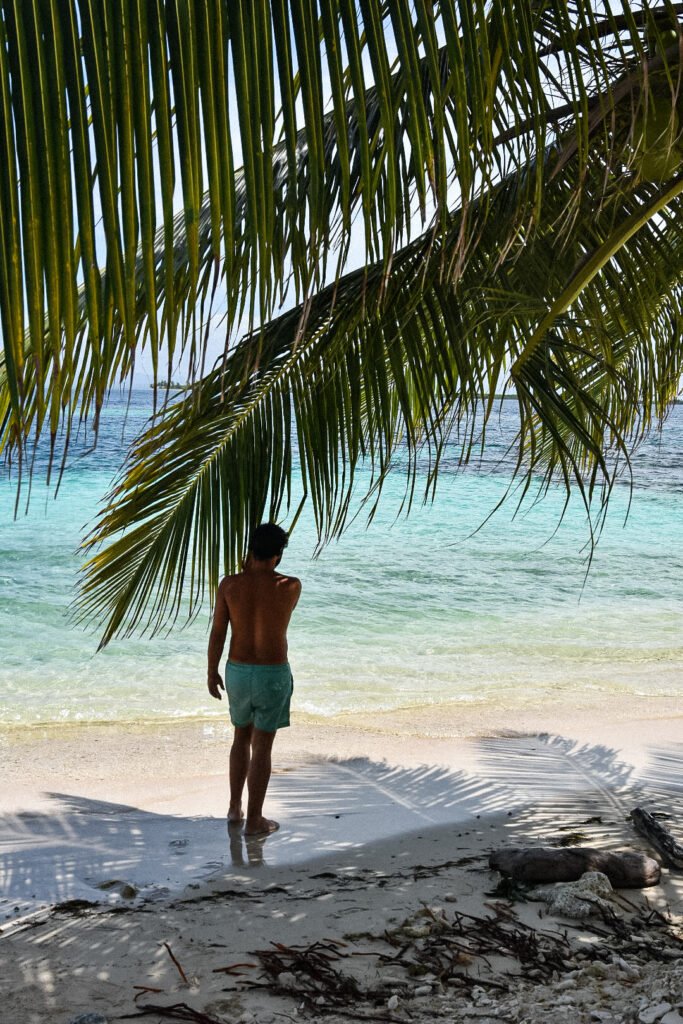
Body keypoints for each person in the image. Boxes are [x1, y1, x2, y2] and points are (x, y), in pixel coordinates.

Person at [207, 522, 301, 836]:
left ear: (249, 550)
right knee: (262, 747)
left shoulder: (229, 585)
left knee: (240, 739)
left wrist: (211, 670)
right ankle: (255, 820)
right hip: (272, 673)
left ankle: (235, 808)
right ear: (278, 554)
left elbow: (218, 632)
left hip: (237, 671)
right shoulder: (290, 586)